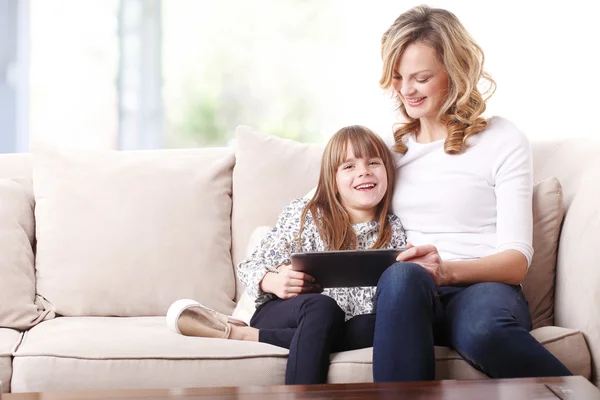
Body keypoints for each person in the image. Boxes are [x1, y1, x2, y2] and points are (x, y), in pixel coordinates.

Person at [373, 5, 572, 381]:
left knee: (485, 330)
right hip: (410, 295)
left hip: (482, 288)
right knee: (401, 278)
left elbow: (516, 260)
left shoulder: (501, 138)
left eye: (420, 77)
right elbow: (326, 210)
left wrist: (444, 272)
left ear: (454, 72)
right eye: (398, 77)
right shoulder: (387, 150)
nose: (405, 90)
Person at [167, 125, 407, 385]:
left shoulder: (394, 231)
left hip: (343, 325)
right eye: (349, 166)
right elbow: (250, 266)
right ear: (333, 180)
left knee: (374, 327)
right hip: (287, 312)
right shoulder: (308, 215)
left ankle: (248, 336)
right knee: (323, 307)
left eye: (373, 162)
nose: (364, 172)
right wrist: (273, 281)